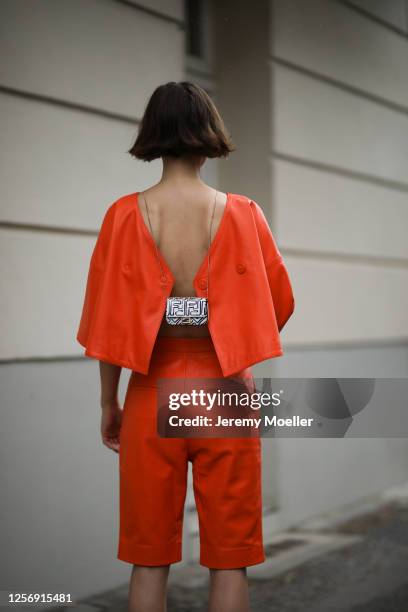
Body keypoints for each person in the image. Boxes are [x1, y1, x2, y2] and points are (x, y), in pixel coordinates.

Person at [76, 81, 295, 612]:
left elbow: (109, 323)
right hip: (224, 391)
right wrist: (230, 336)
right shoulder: (244, 213)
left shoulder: (123, 216)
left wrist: (110, 403)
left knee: (149, 559)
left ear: (153, 134)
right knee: (229, 559)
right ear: (207, 134)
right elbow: (279, 303)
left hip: (150, 391)